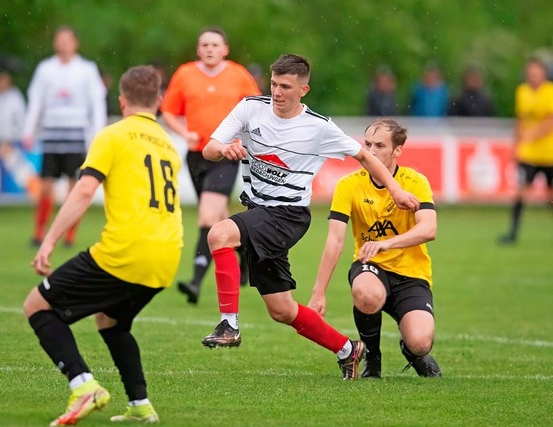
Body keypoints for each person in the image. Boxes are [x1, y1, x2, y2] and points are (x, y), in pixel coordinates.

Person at [200, 54, 420, 380]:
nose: (277, 92)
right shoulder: (250, 107)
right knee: (281, 310)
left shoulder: (319, 127)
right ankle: (348, 350)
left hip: (288, 215)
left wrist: (396, 191)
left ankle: (228, 325)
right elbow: (209, 148)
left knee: (220, 234)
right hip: (259, 212)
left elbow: (365, 157)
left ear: (303, 89)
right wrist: (223, 149)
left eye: (286, 86)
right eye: (274, 84)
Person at [23, 65, 182, 426]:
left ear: (122, 100)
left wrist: (48, 239)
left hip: (126, 251)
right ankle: (141, 404)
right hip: (167, 255)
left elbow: (83, 189)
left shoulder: (114, 135)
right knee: (111, 320)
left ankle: (83, 387)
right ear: (159, 101)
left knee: (37, 305)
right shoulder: (168, 145)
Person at [309, 118, 442, 378]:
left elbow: (429, 230)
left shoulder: (414, 181)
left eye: (379, 145)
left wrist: (385, 244)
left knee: (421, 342)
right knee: (366, 292)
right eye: (367, 143)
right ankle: (372, 355)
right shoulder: (349, 184)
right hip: (370, 268)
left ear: (397, 151)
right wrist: (318, 292)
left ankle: (412, 352)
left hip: (411, 273)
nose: (370, 151)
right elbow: (335, 240)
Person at [160, 27, 261, 304]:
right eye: (204, 44)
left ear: (225, 49)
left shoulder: (239, 74)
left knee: (206, 216)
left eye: (215, 44)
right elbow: (168, 110)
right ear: (198, 49)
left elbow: (257, 108)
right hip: (197, 155)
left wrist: (245, 139)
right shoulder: (185, 74)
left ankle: (194, 281)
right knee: (218, 217)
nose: (209, 49)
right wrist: (184, 134)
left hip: (226, 154)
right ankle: (246, 258)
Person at [23, 26, 107, 248]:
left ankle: (69, 235)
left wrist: (96, 134)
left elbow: (96, 103)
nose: (63, 44)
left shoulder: (87, 69)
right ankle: (39, 231)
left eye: (67, 40)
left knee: (75, 187)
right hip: (51, 133)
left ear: (75, 43)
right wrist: (28, 130)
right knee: (46, 186)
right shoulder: (45, 69)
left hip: (76, 134)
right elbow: (35, 101)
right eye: (59, 40)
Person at [499, 58, 553, 244]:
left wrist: (531, 135)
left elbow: (550, 122)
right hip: (529, 154)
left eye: (536, 73)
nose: (532, 77)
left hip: (549, 154)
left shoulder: (550, 92)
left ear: (544, 74)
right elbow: (520, 120)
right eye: (530, 74)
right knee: (521, 193)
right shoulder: (522, 91)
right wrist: (516, 145)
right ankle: (512, 234)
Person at [0, 71, 26, 141]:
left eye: (3, 80)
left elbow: (20, 117)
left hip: (12, 137)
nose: (0, 84)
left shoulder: (15, 96)